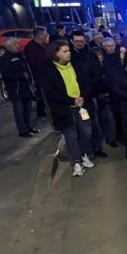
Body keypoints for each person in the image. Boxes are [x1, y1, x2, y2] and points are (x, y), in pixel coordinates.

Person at [41, 40, 94, 176]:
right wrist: (71, 100)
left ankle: (83, 153)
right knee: (71, 135)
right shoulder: (48, 70)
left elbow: (85, 82)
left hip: (82, 106)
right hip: (65, 109)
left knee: (87, 132)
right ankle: (77, 162)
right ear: (56, 53)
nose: (68, 53)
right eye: (64, 51)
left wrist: (83, 97)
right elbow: (50, 92)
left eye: (68, 50)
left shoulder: (75, 64)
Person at [70, 30, 107, 158]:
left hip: (89, 96)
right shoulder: (69, 57)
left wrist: (88, 89)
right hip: (75, 98)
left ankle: (97, 148)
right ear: (72, 41)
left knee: (94, 123)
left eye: (81, 41)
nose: (79, 43)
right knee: (82, 125)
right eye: (76, 41)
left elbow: (98, 74)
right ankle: (86, 151)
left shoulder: (91, 55)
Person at [0, 38, 38, 137]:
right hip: (15, 90)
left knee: (27, 109)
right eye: (15, 44)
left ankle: (28, 127)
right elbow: (6, 75)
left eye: (17, 43)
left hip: (26, 87)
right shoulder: (5, 59)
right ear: (8, 46)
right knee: (19, 111)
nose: (18, 45)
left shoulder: (19, 55)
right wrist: (22, 75)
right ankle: (22, 131)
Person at [24, 26, 51, 118]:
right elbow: (34, 64)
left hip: (47, 75)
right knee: (44, 96)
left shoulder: (44, 44)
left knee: (43, 96)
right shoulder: (31, 48)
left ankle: (41, 112)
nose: (47, 36)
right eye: (45, 34)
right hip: (41, 77)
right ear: (40, 36)